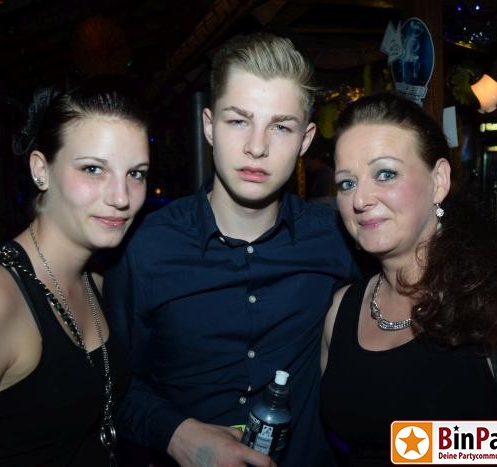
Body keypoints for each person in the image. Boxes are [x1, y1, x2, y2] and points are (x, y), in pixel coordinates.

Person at [103, 33, 358, 467]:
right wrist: (177, 434)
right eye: (238, 121)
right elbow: (112, 387)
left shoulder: (338, 238)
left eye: (281, 127)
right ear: (209, 126)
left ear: (306, 139)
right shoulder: (145, 248)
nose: (257, 147)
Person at [320, 93, 497, 466]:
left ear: (438, 181)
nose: (361, 199)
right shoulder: (341, 311)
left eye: (385, 174)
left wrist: (430, 446)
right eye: (346, 183)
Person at [0, 81, 150, 466]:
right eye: (93, 169)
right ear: (41, 170)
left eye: (136, 174)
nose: (121, 197)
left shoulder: (96, 280)